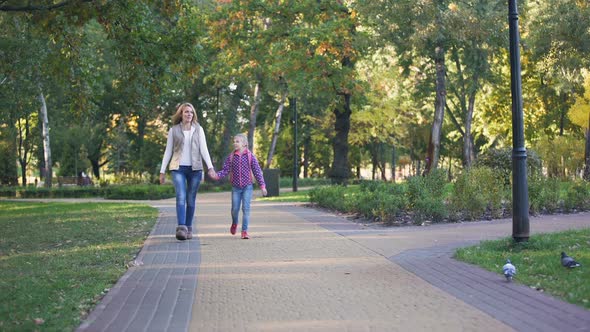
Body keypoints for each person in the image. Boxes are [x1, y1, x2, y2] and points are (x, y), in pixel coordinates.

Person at [160, 102, 217, 241]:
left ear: (193, 115)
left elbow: (204, 149)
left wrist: (210, 167)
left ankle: (189, 228)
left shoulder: (198, 129)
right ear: (181, 114)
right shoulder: (173, 130)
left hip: (195, 169)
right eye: (186, 112)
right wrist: (162, 171)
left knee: (191, 199)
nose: (189, 114)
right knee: (180, 196)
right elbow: (168, 151)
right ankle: (181, 228)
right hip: (177, 168)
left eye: (191, 112)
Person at [214, 133, 267, 239]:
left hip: (248, 187)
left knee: (246, 209)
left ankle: (244, 231)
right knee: (234, 209)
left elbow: (257, 171)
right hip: (236, 188)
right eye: (234, 141)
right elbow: (225, 170)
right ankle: (234, 223)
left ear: (244, 143)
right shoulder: (231, 157)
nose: (235, 143)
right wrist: (216, 176)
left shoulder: (250, 156)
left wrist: (262, 186)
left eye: (237, 141)